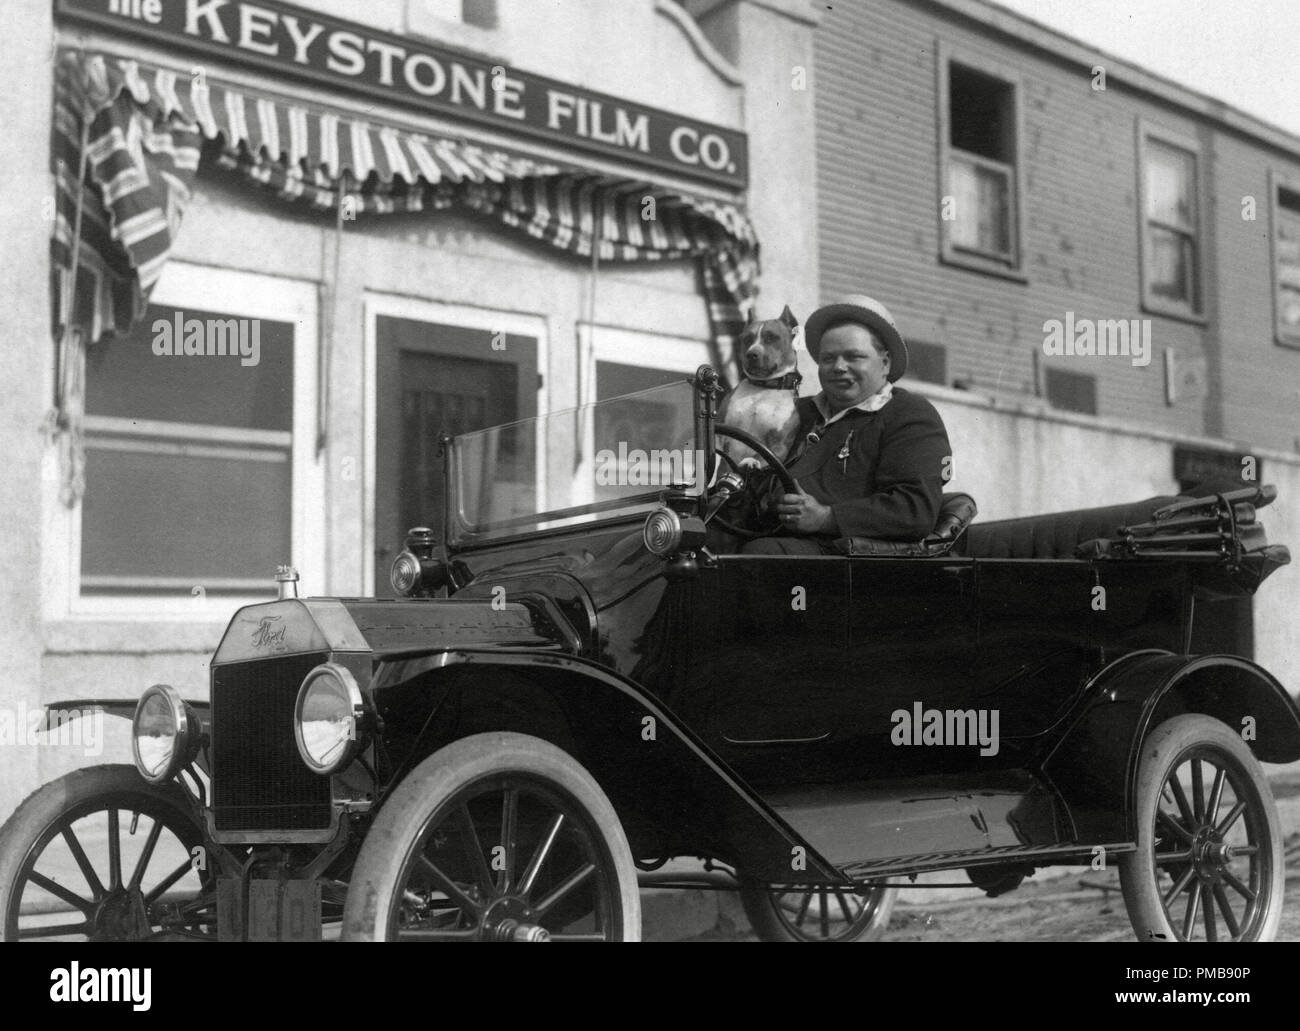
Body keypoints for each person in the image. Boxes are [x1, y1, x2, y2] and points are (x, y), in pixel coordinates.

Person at [741, 294, 952, 555]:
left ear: (885, 363)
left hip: (845, 557)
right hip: (768, 533)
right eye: (828, 359)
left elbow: (914, 509)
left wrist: (826, 517)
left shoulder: (908, 414)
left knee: (757, 555)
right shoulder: (795, 411)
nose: (839, 367)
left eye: (854, 357)